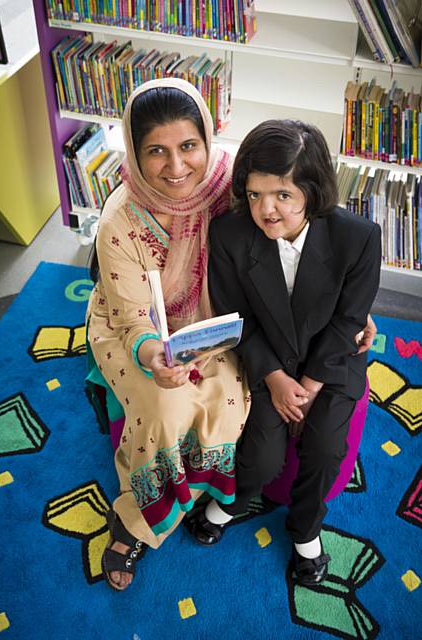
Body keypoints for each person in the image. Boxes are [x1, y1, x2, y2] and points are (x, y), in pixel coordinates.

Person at [191, 119, 382, 587]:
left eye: (282, 195)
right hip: (267, 359)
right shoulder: (230, 235)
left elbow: (348, 320)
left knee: (324, 448)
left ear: (312, 192)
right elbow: (238, 319)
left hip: (331, 363)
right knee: (258, 455)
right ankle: (231, 502)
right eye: (254, 195)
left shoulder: (359, 237)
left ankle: (305, 532)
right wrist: (276, 379)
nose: (266, 209)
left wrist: (312, 384)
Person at [86, 77, 251, 591]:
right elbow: (132, 315)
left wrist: (350, 307)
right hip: (130, 328)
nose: (176, 168)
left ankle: (187, 494)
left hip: (212, 326)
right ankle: (136, 520)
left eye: (188, 147)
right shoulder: (120, 218)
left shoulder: (233, 190)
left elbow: (296, 238)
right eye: (156, 151)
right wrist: (154, 355)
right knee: (163, 408)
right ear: (134, 154)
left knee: (223, 401)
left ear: (207, 138)